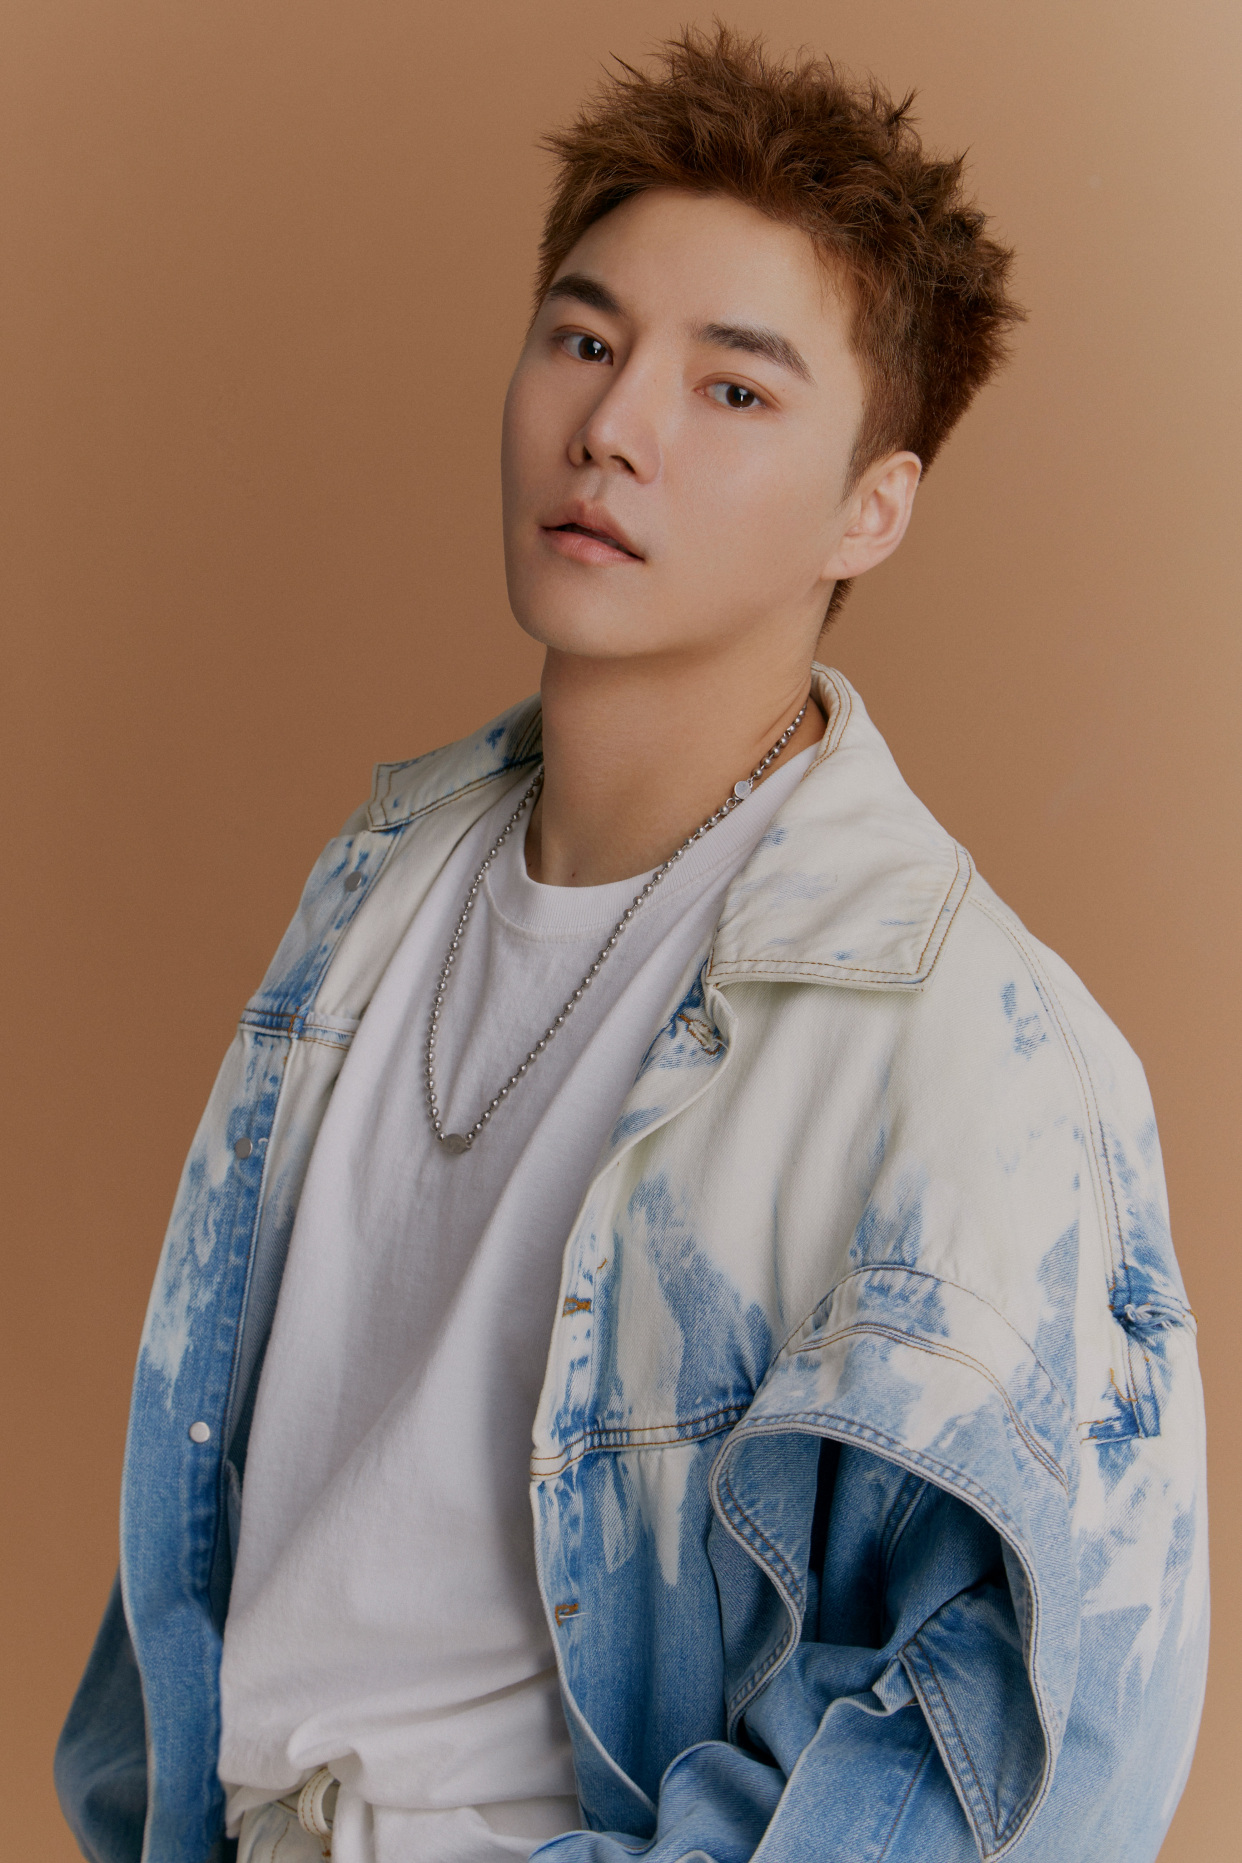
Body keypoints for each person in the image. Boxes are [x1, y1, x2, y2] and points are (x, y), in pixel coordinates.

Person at [56, 25, 1207, 1863]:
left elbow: (1012, 1759)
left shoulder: (965, 1050)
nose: (611, 427)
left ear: (872, 506)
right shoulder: (378, 884)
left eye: (732, 389)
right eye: (584, 341)